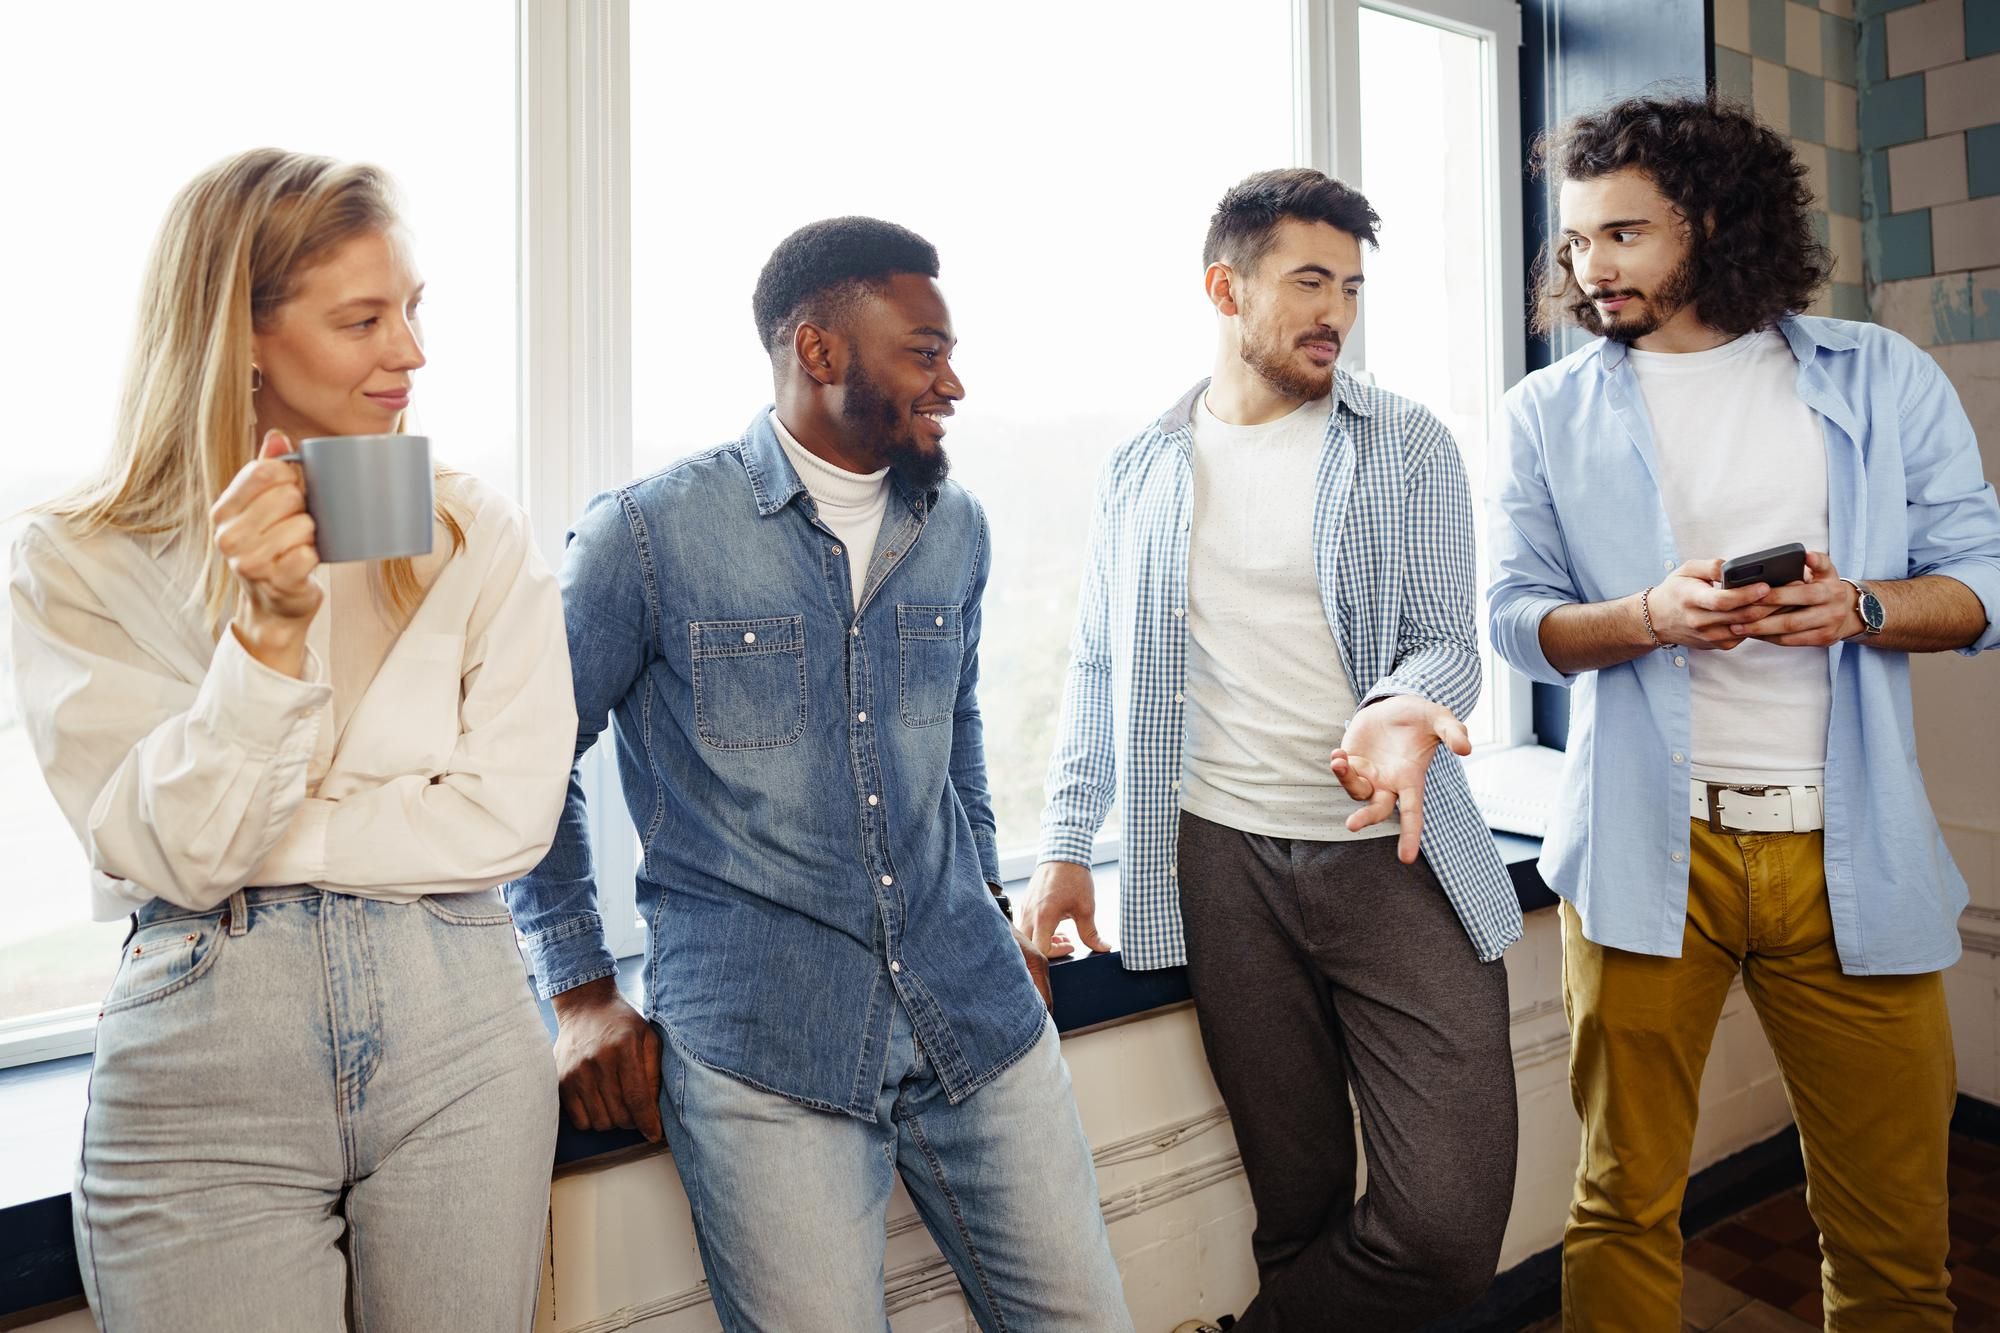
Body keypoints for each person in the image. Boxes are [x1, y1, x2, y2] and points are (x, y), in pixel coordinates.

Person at [503, 216, 1131, 1332]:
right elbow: (524, 763)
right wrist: (582, 992)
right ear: (820, 351)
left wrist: (989, 904)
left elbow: (957, 730)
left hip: (973, 1017)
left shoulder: (958, 527)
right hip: (763, 1047)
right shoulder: (645, 537)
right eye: (925, 352)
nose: (954, 384)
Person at [10, 148, 574, 1331]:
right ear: (244, 337)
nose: (410, 352)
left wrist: (271, 833)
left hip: (461, 1024)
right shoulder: (77, 558)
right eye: (364, 318)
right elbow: (178, 854)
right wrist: (266, 636)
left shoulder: (472, 528)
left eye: (413, 309)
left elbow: (509, 819)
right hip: (205, 1054)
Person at [1489, 94, 2000, 1329]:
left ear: (1709, 221)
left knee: (1892, 1240)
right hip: (1637, 859)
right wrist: (1644, 619)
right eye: (1572, 243)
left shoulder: (1878, 375)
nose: (1587, 266)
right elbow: (1516, 620)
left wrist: (1858, 608)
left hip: (1852, 855)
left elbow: (1983, 580)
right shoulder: (1543, 413)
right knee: (1618, 1207)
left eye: (1620, 234)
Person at [1022, 167, 1521, 1332]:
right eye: (1307, 281)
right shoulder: (1140, 468)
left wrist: (1401, 703)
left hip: (1390, 860)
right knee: (1291, 1204)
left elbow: (1451, 643)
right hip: (1221, 868)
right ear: (1222, 287)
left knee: (1442, 1229)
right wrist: (1061, 845)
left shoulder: (1403, 445)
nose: (1334, 313)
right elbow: (1097, 667)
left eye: (1349, 287)